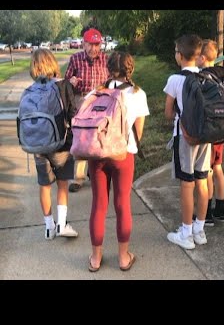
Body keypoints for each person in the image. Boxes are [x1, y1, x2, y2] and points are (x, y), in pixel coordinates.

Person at [87, 51, 149, 272]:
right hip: (123, 155)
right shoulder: (138, 94)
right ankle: (123, 258)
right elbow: (138, 133)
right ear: (130, 69)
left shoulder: (97, 92)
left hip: (98, 156)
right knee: (122, 205)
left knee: (98, 205)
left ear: (108, 69)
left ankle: (95, 258)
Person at [164, 34, 211, 249]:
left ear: (180, 55)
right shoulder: (207, 76)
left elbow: (167, 112)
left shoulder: (175, 79)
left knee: (186, 182)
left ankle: (186, 232)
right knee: (202, 180)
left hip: (184, 136)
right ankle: (199, 229)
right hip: (205, 136)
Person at [29, 49, 79, 239]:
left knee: (44, 185)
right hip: (61, 144)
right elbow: (72, 114)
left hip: (38, 145)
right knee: (62, 184)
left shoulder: (31, 89)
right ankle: (62, 225)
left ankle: (48, 227)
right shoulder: (62, 85)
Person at [65, 27, 109, 193]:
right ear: (83, 44)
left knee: (100, 137)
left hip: (101, 101)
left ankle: (98, 174)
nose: (94, 49)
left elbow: (113, 80)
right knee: (82, 138)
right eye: (90, 44)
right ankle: (78, 177)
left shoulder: (106, 59)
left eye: (97, 45)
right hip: (81, 100)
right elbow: (66, 81)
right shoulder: (75, 59)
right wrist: (72, 81)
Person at [195, 39, 224, 225]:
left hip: (208, 130)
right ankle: (220, 210)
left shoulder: (202, 77)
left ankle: (206, 211)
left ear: (202, 57)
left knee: (206, 171)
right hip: (221, 129)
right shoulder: (223, 75)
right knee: (218, 168)